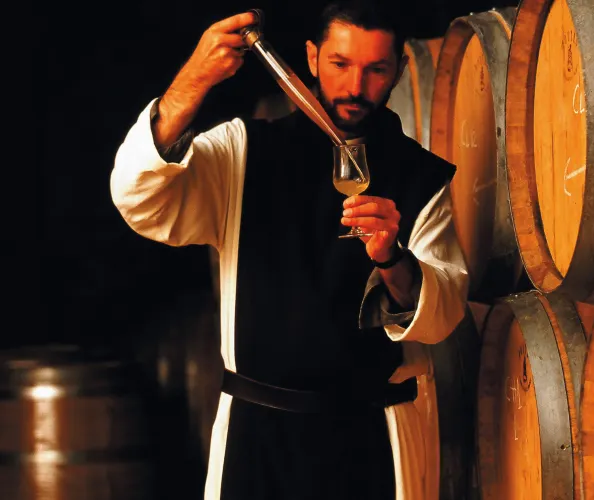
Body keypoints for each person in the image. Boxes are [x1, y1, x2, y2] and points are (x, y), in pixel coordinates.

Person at [110, 2, 469, 499]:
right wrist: (194, 79)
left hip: (370, 439)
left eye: (376, 69)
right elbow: (140, 199)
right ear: (312, 57)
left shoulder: (421, 177)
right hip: (256, 438)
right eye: (340, 64)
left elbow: (442, 315)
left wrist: (392, 259)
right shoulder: (242, 151)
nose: (355, 87)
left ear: (401, 69)